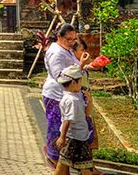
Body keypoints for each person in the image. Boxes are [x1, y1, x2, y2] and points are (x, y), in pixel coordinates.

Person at [43, 23, 91, 169]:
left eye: (74, 39)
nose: (72, 43)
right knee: (56, 128)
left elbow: (72, 66)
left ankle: (64, 162)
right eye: (68, 39)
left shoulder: (66, 49)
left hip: (69, 95)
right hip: (56, 95)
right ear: (59, 36)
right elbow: (61, 77)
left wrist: (87, 66)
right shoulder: (55, 52)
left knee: (68, 128)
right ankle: (53, 158)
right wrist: (80, 66)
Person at [54, 64, 95, 175]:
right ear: (73, 83)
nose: (81, 85)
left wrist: (89, 100)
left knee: (63, 164)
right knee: (84, 166)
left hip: (79, 136)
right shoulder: (71, 100)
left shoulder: (77, 96)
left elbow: (87, 113)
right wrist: (62, 137)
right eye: (80, 82)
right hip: (74, 138)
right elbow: (67, 120)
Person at [72, 38, 104, 175]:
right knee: (85, 136)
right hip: (79, 105)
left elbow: (82, 69)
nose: (84, 53)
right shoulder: (72, 66)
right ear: (73, 51)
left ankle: (88, 167)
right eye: (81, 50)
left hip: (85, 102)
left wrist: (90, 66)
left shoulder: (80, 65)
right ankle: (87, 168)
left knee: (89, 135)